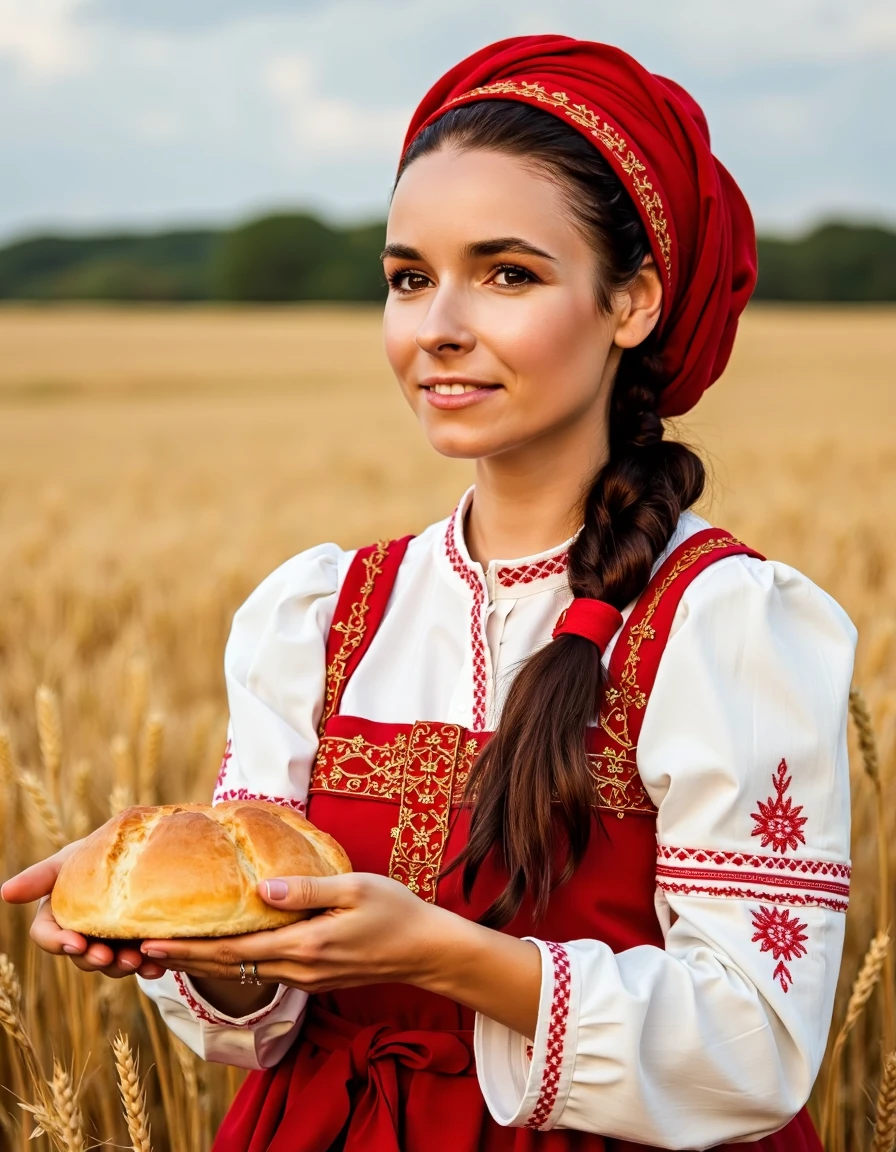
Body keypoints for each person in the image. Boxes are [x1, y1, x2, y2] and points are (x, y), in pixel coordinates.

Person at [1, 34, 856, 1152]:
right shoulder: (318, 615)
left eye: (507, 274)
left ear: (632, 300)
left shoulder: (723, 627)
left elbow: (758, 1049)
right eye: (409, 278)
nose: (437, 327)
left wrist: (442, 957)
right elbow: (254, 1028)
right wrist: (198, 943)